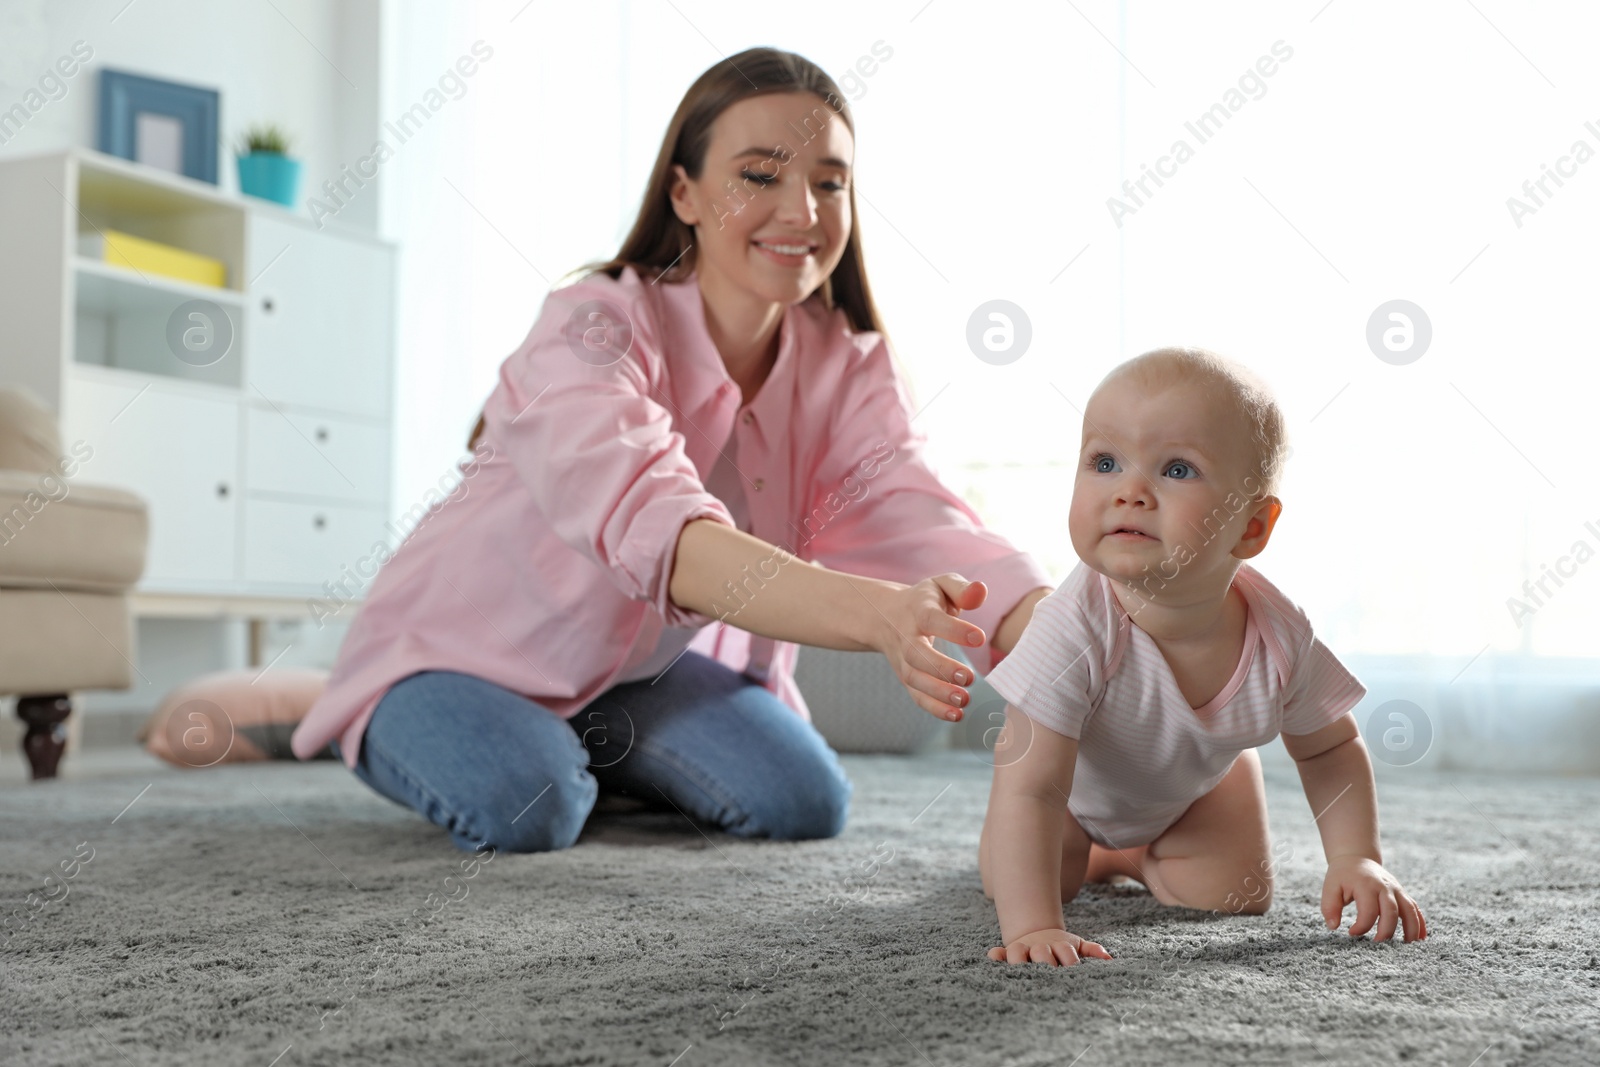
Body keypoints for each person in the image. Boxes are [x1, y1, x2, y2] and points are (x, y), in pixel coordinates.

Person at [289, 47, 1053, 853]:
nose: (804, 210)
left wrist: (1053, 623)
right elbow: (666, 533)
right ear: (683, 193)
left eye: (830, 182)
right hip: (455, 655)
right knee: (530, 805)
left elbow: (911, 511)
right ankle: (358, 712)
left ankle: (571, 749)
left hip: (623, 677)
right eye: (761, 175)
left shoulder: (842, 358)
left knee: (801, 800)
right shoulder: (591, 327)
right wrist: (881, 617)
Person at [978, 347, 1428, 965]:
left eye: (1178, 469)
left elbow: (1329, 747)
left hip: (1197, 788)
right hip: (1067, 796)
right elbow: (1029, 786)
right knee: (1028, 880)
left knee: (1232, 896)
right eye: (1104, 462)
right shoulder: (1072, 626)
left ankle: (1136, 853)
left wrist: (1356, 855)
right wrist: (1031, 928)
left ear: (1252, 528)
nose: (1130, 491)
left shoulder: (1278, 633)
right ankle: (1099, 850)